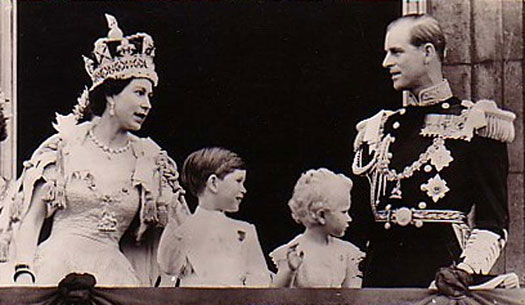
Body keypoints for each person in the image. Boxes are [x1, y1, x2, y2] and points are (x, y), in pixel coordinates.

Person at [0, 14, 189, 286]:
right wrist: (24, 272)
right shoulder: (65, 146)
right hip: (54, 271)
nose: (147, 104)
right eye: (138, 93)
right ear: (111, 95)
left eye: (150, 96)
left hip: (113, 278)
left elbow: (167, 249)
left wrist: (177, 211)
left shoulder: (149, 158)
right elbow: (32, 220)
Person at [350, 14, 515, 292]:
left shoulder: (477, 124)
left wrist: (465, 270)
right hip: (381, 284)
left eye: (396, 52)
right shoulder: (378, 128)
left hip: (440, 284)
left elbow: (493, 222)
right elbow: (361, 221)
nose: (386, 63)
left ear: (427, 52)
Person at [157, 147, 271, 287]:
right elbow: (168, 268)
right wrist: (176, 225)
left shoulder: (245, 231)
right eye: (238, 181)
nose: (243, 189)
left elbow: (261, 279)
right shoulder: (183, 228)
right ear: (213, 183)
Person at [270, 168, 363, 288]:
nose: (349, 218)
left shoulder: (347, 252)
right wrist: (290, 271)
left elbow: (352, 296)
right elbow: (275, 296)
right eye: (344, 212)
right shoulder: (293, 252)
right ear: (321, 215)